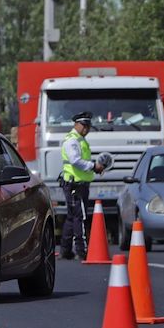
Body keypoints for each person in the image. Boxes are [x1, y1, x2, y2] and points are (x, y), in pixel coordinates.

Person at [59, 111, 106, 260]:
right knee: (80, 216)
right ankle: (82, 250)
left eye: (89, 126)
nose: (87, 129)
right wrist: (93, 166)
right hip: (75, 185)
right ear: (76, 124)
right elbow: (75, 161)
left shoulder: (80, 140)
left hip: (78, 184)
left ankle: (65, 250)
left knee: (72, 217)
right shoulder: (73, 141)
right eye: (84, 125)